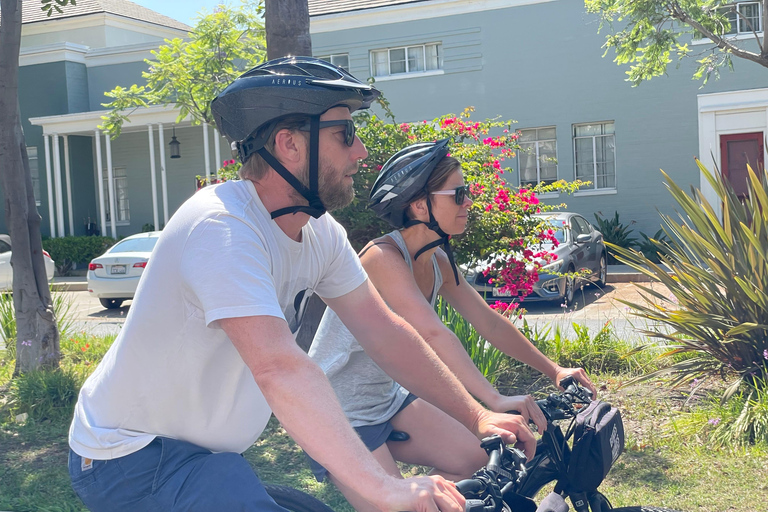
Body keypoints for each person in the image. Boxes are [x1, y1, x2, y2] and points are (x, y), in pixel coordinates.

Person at [66, 57, 535, 512]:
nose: (361, 152)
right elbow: (279, 367)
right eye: (345, 134)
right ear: (288, 143)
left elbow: (385, 332)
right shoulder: (222, 226)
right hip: (129, 455)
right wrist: (383, 488)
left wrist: (478, 415)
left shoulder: (317, 231)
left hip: (202, 457)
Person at [308, 139, 597, 511]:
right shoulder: (382, 257)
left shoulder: (436, 259)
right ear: (418, 204)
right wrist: (489, 403)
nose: (468, 203)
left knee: (475, 460)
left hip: (388, 401)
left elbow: (488, 324)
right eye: (458, 194)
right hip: (338, 412)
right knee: (409, 507)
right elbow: (431, 333)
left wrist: (555, 370)